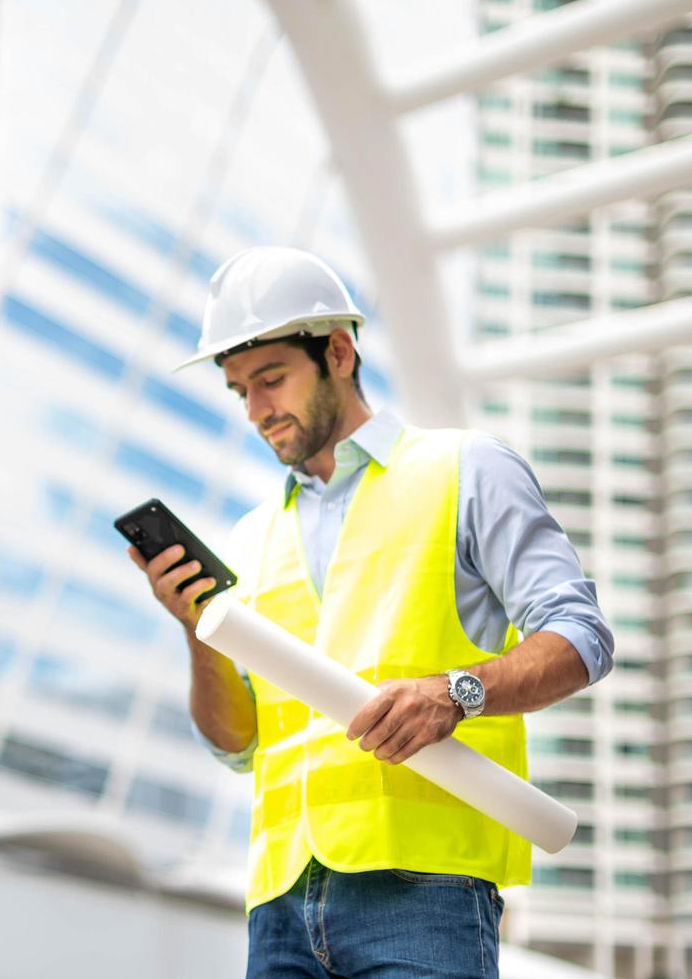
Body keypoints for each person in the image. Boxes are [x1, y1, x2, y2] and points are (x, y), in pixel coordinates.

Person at [128, 247, 613, 978]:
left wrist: (457, 693)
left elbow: (582, 636)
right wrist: (197, 628)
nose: (257, 411)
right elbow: (236, 747)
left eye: (270, 379)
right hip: (279, 908)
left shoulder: (465, 469)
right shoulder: (249, 540)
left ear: (339, 352)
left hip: (424, 895)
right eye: (239, 392)